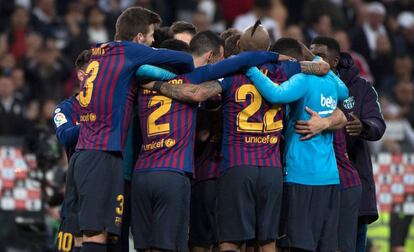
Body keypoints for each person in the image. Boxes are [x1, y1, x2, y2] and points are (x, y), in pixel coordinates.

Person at [137, 27, 332, 252]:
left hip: (238, 166)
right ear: (268, 48)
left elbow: (198, 94)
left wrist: (157, 85)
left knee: (230, 240)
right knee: (268, 242)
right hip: (272, 169)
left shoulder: (232, 73)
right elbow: (322, 67)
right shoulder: (287, 69)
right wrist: (304, 53)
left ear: (238, 47)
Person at [70, 7, 195, 252]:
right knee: (96, 237)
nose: (151, 41)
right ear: (139, 38)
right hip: (103, 154)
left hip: (84, 153)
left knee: (91, 236)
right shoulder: (132, 51)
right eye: (149, 37)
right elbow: (186, 60)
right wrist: (156, 65)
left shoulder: (98, 52)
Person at [244, 41, 348, 252]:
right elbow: (345, 92)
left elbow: (276, 94)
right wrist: (321, 63)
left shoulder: (303, 79)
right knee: (325, 246)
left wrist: (250, 69)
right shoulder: (331, 81)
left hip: (300, 174)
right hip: (329, 177)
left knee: (299, 246)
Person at [53, 49, 89, 252]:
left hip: (105, 180)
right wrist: (93, 122)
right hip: (76, 183)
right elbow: (65, 136)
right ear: (81, 75)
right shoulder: (64, 109)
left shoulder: (107, 106)